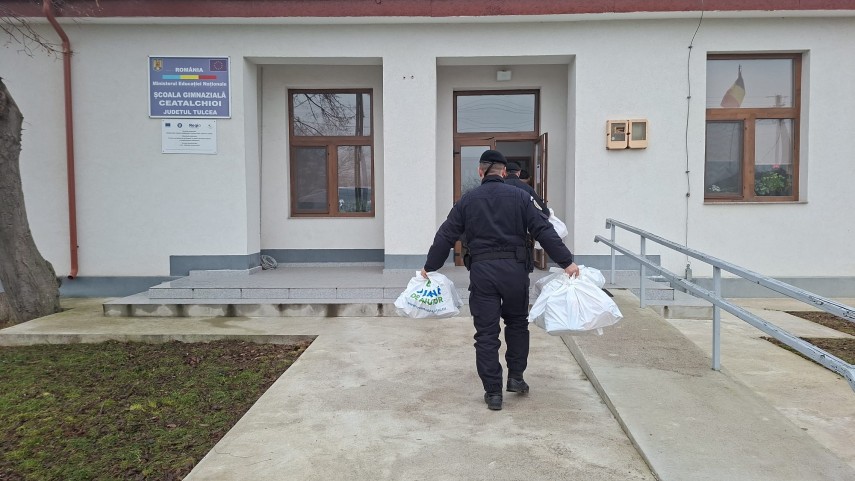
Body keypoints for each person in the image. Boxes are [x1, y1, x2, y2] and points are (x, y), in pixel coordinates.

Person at [420, 150, 579, 411]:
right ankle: (516, 378)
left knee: (486, 333)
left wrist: (430, 266)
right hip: (515, 273)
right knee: (517, 324)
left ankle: (493, 392)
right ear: (504, 172)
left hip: (482, 273)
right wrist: (566, 262)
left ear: (480, 172)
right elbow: (544, 230)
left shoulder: (467, 200)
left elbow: (445, 235)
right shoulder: (521, 197)